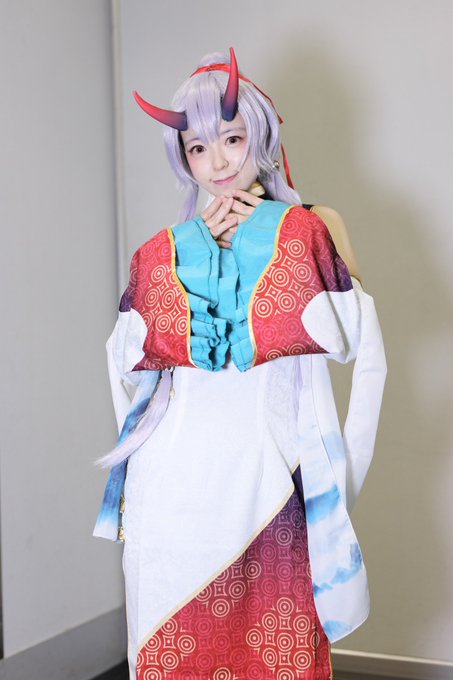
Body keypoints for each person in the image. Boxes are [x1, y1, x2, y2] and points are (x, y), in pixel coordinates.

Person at [94, 48, 386, 680]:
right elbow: (132, 374)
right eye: (198, 148)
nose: (219, 162)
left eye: (232, 138)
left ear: (262, 133)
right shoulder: (166, 251)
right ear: (184, 159)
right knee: (173, 653)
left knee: (279, 654)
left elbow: (358, 340)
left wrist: (285, 237)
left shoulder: (315, 226)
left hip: (270, 478)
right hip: (173, 488)